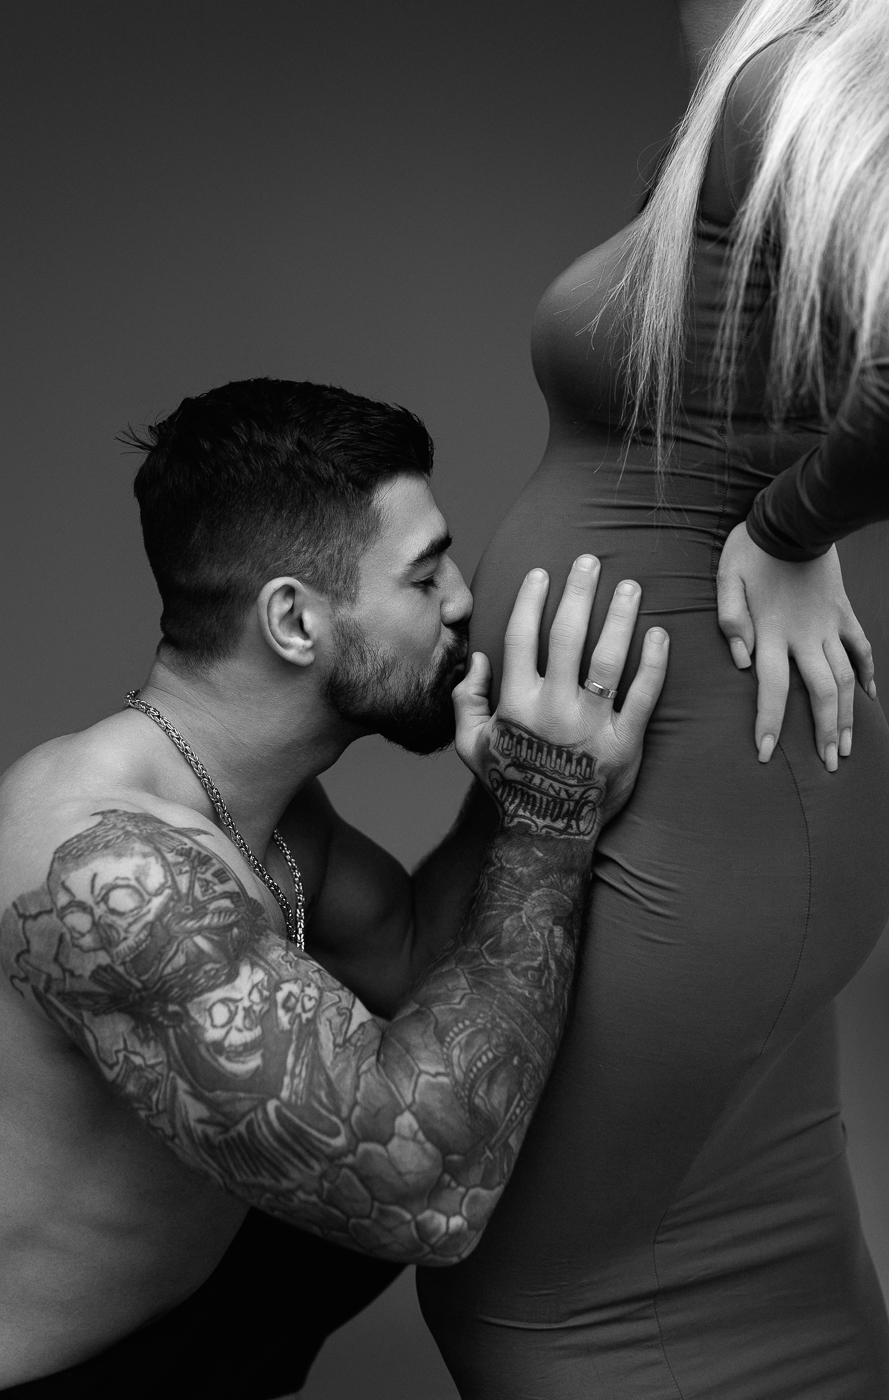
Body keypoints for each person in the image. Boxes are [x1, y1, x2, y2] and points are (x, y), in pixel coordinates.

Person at [416, 0, 889, 1395]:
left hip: (714, 798)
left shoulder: (796, 79)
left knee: (534, 1292)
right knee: (738, 1242)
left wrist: (789, 528)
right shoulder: (788, 91)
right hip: (705, 790)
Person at [0, 378, 670, 1398]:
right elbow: (429, 1191)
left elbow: (415, 957)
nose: (461, 600)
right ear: (293, 620)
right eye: (424, 575)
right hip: (69, 1373)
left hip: (197, 1307)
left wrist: (531, 774)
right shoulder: (108, 865)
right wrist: (547, 817)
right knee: (418, 1136)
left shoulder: (263, 807)